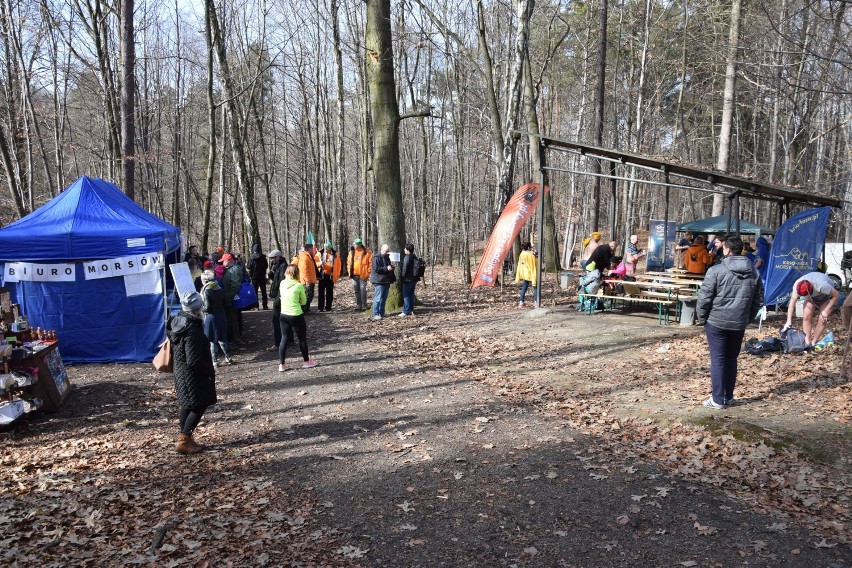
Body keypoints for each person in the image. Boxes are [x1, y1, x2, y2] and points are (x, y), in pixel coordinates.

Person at [696, 235, 764, 409]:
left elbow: (704, 298)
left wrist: (702, 318)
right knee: (731, 359)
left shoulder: (716, 270)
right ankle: (727, 397)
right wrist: (747, 318)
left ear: (726, 249)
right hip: (737, 321)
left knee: (719, 359)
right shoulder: (753, 272)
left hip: (717, 321)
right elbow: (758, 301)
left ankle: (718, 399)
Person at [167, 291, 217, 454]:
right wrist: (209, 369)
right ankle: (184, 439)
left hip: (181, 372)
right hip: (192, 375)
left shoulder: (178, 322)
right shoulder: (192, 330)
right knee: (198, 405)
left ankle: (186, 438)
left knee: (187, 405)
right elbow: (193, 360)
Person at [782, 271, 840, 349]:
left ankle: (813, 343)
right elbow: (792, 302)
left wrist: (826, 311)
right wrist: (788, 320)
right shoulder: (797, 285)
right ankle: (807, 342)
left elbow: (836, 295)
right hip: (811, 298)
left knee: (822, 318)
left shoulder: (822, 285)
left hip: (826, 297)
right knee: (806, 315)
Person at [278, 264, 317, 371]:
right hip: (296, 314)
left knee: (284, 338)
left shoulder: (282, 283)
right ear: (297, 274)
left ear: (286, 273)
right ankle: (306, 361)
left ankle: (282, 364)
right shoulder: (298, 285)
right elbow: (304, 301)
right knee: (302, 339)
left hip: (283, 314)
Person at [200, 270, 232, 367]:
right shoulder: (219, 287)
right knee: (222, 338)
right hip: (221, 314)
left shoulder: (206, 290)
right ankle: (228, 357)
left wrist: (201, 309)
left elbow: (207, 307)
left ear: (205, 280)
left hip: (211, 316)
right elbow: (226, 303)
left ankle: (215, 361)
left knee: (212, 340)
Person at [220, 253, 243, 343]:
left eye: (223, 261)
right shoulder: (231, 269)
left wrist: (229, 297)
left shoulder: (234, 270)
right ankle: (234, 337)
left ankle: (236, 338)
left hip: (232, 298)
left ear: (228, 261)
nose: (222, 263)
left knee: (233, 319)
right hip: (231, 297)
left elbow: (235, 285)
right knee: (232, 319)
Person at [370, 244, 395, 320]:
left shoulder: (387, 258)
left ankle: (381, 312)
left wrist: (390, 268)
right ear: (381, 250)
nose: (387, 252)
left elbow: (387, 267)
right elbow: (377, 269)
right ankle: (376, 314)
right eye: (386, 251)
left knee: (384, 298)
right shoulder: (376, 258)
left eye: (388, 251)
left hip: (386, 281)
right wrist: (386, 268)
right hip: (379, 281)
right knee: (377, 299)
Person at [316, 241, 342, 312]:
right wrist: (320, 263)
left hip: (331, 276)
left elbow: (339, 265)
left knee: (329, 292)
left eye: (326, 247)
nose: (325, 248)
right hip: (322, 275)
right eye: (324, 247)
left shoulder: (335, 254)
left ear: (330, 248)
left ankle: (328, 307)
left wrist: (337, 274)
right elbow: (315, 263)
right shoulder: (319, 253)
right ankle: (320, 307)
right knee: (321, 292)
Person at [348, 238, 373, 310]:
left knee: (363, 289)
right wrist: (349, 271)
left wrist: (368, 271)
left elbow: (371, 263)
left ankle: (364, 305)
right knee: (356, 290)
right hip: (354, 275)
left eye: (355, 244)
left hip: (363, 275)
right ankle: (359, 305)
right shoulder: (351, 252)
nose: (354, 245)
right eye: (354, 244)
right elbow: (348, 262)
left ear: (359, 244)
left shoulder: (367, 252)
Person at [296, 243, 319, 313]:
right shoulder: (304, 257)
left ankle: (306, 309)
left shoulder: (309, 256)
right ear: (309, 249)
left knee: (309, 295)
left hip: (310, 280)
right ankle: (302, 310)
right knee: (307, 296)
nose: (313, 250)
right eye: (312, 249)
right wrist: (307, 281)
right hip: (307, 281)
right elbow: (304, 270)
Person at [514, 242, 538, 308]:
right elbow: (535, 263)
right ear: (528, 247)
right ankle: (536, 302)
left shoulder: (522, 254)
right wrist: (536, 256)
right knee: (535, 287)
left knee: (524, 287)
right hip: (531, 273)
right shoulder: (530, 255)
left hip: (524, 273)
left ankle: (521, 302)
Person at [247, 243, 269, 310]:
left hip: (254, 277)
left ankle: (256, 306)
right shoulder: (263, 257)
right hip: (262, 276)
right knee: (263, 291)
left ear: (253, 249)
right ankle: (265, 305)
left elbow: (249, 266)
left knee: (255, 291)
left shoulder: (251, 258)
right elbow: (266, 266)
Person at [399, 243, 419, 316]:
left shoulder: (407, 257)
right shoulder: (414, 256)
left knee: (406, 295)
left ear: (407, 250)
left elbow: (404, 268)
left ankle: (406, 311)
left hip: (407, 279)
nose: (404, 249)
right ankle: (411, 309)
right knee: (411, 295)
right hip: (414, 279)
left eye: (405, 248)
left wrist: (402, 277)